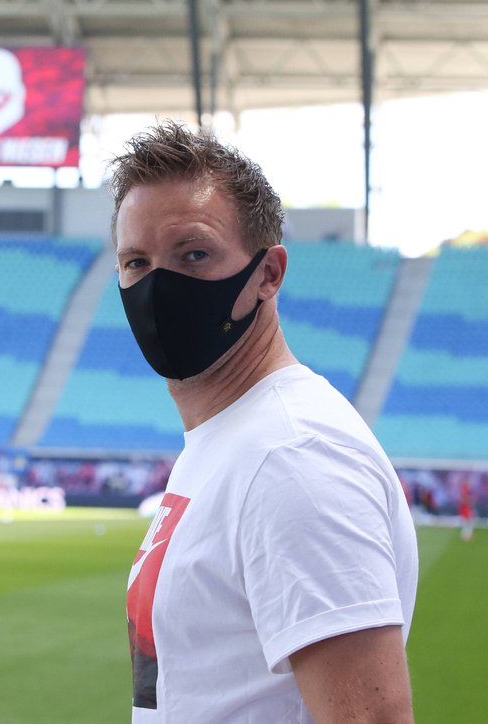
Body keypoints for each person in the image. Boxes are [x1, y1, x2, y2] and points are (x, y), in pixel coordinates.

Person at [114, 121, 419, 723]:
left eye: (193, 254)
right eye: (135, 262)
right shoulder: (235, 437)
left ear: (268, 274)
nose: (157, 287)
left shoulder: (292, 455)